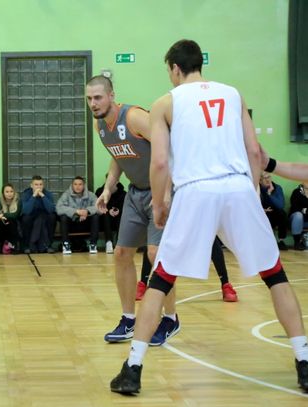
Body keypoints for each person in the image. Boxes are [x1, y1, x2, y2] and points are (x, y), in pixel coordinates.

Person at [110, 39, 308, 395]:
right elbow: (253, 151)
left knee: (161, 280)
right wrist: (249, 194)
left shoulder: (165, 103)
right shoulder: (234, 94)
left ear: (173, 68)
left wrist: (158, 204)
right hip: (236, 187)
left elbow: (158, 162)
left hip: (195, 190)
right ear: (199, 64)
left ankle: (133, 369)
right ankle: (304, 361)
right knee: (275, 274)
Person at [86, 75, 179, 346]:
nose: (93, 103)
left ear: (112, 95)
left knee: (156, 254)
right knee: (122, 253)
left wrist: (168, 191)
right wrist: (108, 188)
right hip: (135, 193)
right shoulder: (100, 125)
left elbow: (169, 148)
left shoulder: (135, 117)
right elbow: (118, 155)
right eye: (89, 99)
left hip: (159, 192)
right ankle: (128, 319)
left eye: (98, 97)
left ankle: (170, 319)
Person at [136, 237, 239, 302]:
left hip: (195, 207)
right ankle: (143, 283)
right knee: (153, 241)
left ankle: (225, 285)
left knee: (210, 238)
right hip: (173, 207)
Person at [56, 176, 100, 254]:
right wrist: (76, 211)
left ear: (84, 185)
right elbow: (58, 208)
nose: (77, 186)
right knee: (63, 217)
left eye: (80, 184)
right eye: (75, 184)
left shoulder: (91, 195)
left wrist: (87, 211)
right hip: (72, 224)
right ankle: (66, 244)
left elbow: (99, 208)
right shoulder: (66, 195)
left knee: (95, 216)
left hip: (85, 224)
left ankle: (93, 244)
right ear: (72, 185)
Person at [20, 175, 57, 254]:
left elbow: (51, 209)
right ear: (31, 185)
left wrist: (43, 196)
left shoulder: (47, 194)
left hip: (44, 215)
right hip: (31, 215)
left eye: (40, 184)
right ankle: (28, 245)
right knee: (25, 218)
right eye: (36, 184)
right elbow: (26, 211)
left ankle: (48, 245)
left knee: (52, 217)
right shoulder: (26, 194)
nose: (38, 187)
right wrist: (33, 196)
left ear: (43, 185)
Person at [95, 173, 126, 253]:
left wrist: (119, 211)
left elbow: (126, 207)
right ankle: (109, 242)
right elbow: (98, 206)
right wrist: (108, 211)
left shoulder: (123, 193)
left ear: (117, 181)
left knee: (122, 217)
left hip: (118, 218)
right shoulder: (99, 192)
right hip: (104, 220)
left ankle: (119, 243)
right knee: (106, 215)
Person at [259, 172, 289, 250]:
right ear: (260, 180)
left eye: (269, 177)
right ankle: (268, 241)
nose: (268, 180)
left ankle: (281, 241)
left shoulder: (277, 188)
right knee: (262, 216)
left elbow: (280, 205)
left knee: (282, 214)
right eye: (265, 178)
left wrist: (269, 194)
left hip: (275, 213)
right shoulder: (255, 188)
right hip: (262, 213)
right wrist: (261, 210)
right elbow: (251, 203)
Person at [0, 183, 21, 254]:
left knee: (11, 220)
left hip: (14, 226)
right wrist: (2, 216)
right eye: (7, 192)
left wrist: (2, 214)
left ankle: (13, 245)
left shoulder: (18, 201)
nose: (9, 194)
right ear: (3, 193)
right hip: (2, 227)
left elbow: (15, 215)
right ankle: (0, 244)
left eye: (11, 191)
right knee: (2, 221)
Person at [288, 182, 308, 251]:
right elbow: (295, 207)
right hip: (295, 218)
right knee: (298, 215)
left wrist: (305, 210)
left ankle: (304, 241)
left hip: (306, 220)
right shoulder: (296, 192)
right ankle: (297, 242)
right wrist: (305, 211)